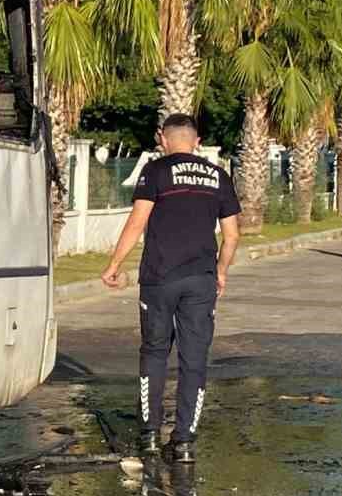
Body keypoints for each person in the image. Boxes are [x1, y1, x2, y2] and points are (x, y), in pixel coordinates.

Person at [100, 114, 241, 463]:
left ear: (163, 138)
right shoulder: (218, 176)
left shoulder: (156, 172)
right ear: (196, 141)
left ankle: (149, 436)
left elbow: (137, 222)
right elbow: (233, 235)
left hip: (159, 278)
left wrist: (115, 264)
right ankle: (184, 443)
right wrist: (220, 272)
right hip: (201, 279)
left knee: (155, 352)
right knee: (194, 359)